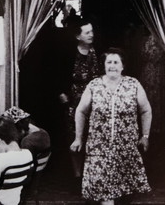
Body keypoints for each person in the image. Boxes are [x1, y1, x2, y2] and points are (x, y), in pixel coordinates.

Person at [70, 48, 151, 204]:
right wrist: (78, 138)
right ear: (104, 65)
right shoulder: (94, 85)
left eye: (116, 62)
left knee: (124, 193)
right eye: (109, 62)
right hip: (99, 149)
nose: (112, 66)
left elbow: (146, 110)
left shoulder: (133, 84)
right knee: (104, 194)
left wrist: (145, 136)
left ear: (122, 66)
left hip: (126, 149)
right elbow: (80, 111)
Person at [58, 18, 100, 177]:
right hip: (74, 101)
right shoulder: (69, 53)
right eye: (87, 32)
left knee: (93, 136)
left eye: (92, 31)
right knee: (74, 135)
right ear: (78, 36)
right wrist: (62, 93)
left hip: (94, 100)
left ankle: (91, 173)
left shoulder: (96, 51)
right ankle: (77, 175)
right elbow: (58, 75)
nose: (91, 35)